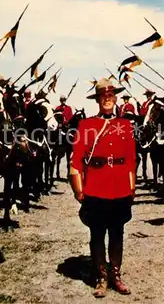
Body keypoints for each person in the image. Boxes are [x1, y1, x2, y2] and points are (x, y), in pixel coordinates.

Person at [69, 78, 136, 298]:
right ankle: (101, 277)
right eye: (103, 96)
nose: (107, 99)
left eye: (111, 96)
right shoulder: (86, 125)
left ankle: (115, 275)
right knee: (97, 233)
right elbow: (77, 159)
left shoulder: (125, 125)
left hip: (119, 186)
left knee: (117, 232)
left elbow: (130, 159)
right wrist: (79, 189)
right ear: (98, 99)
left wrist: (131, 188)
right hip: (95, 186)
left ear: (115, 98)